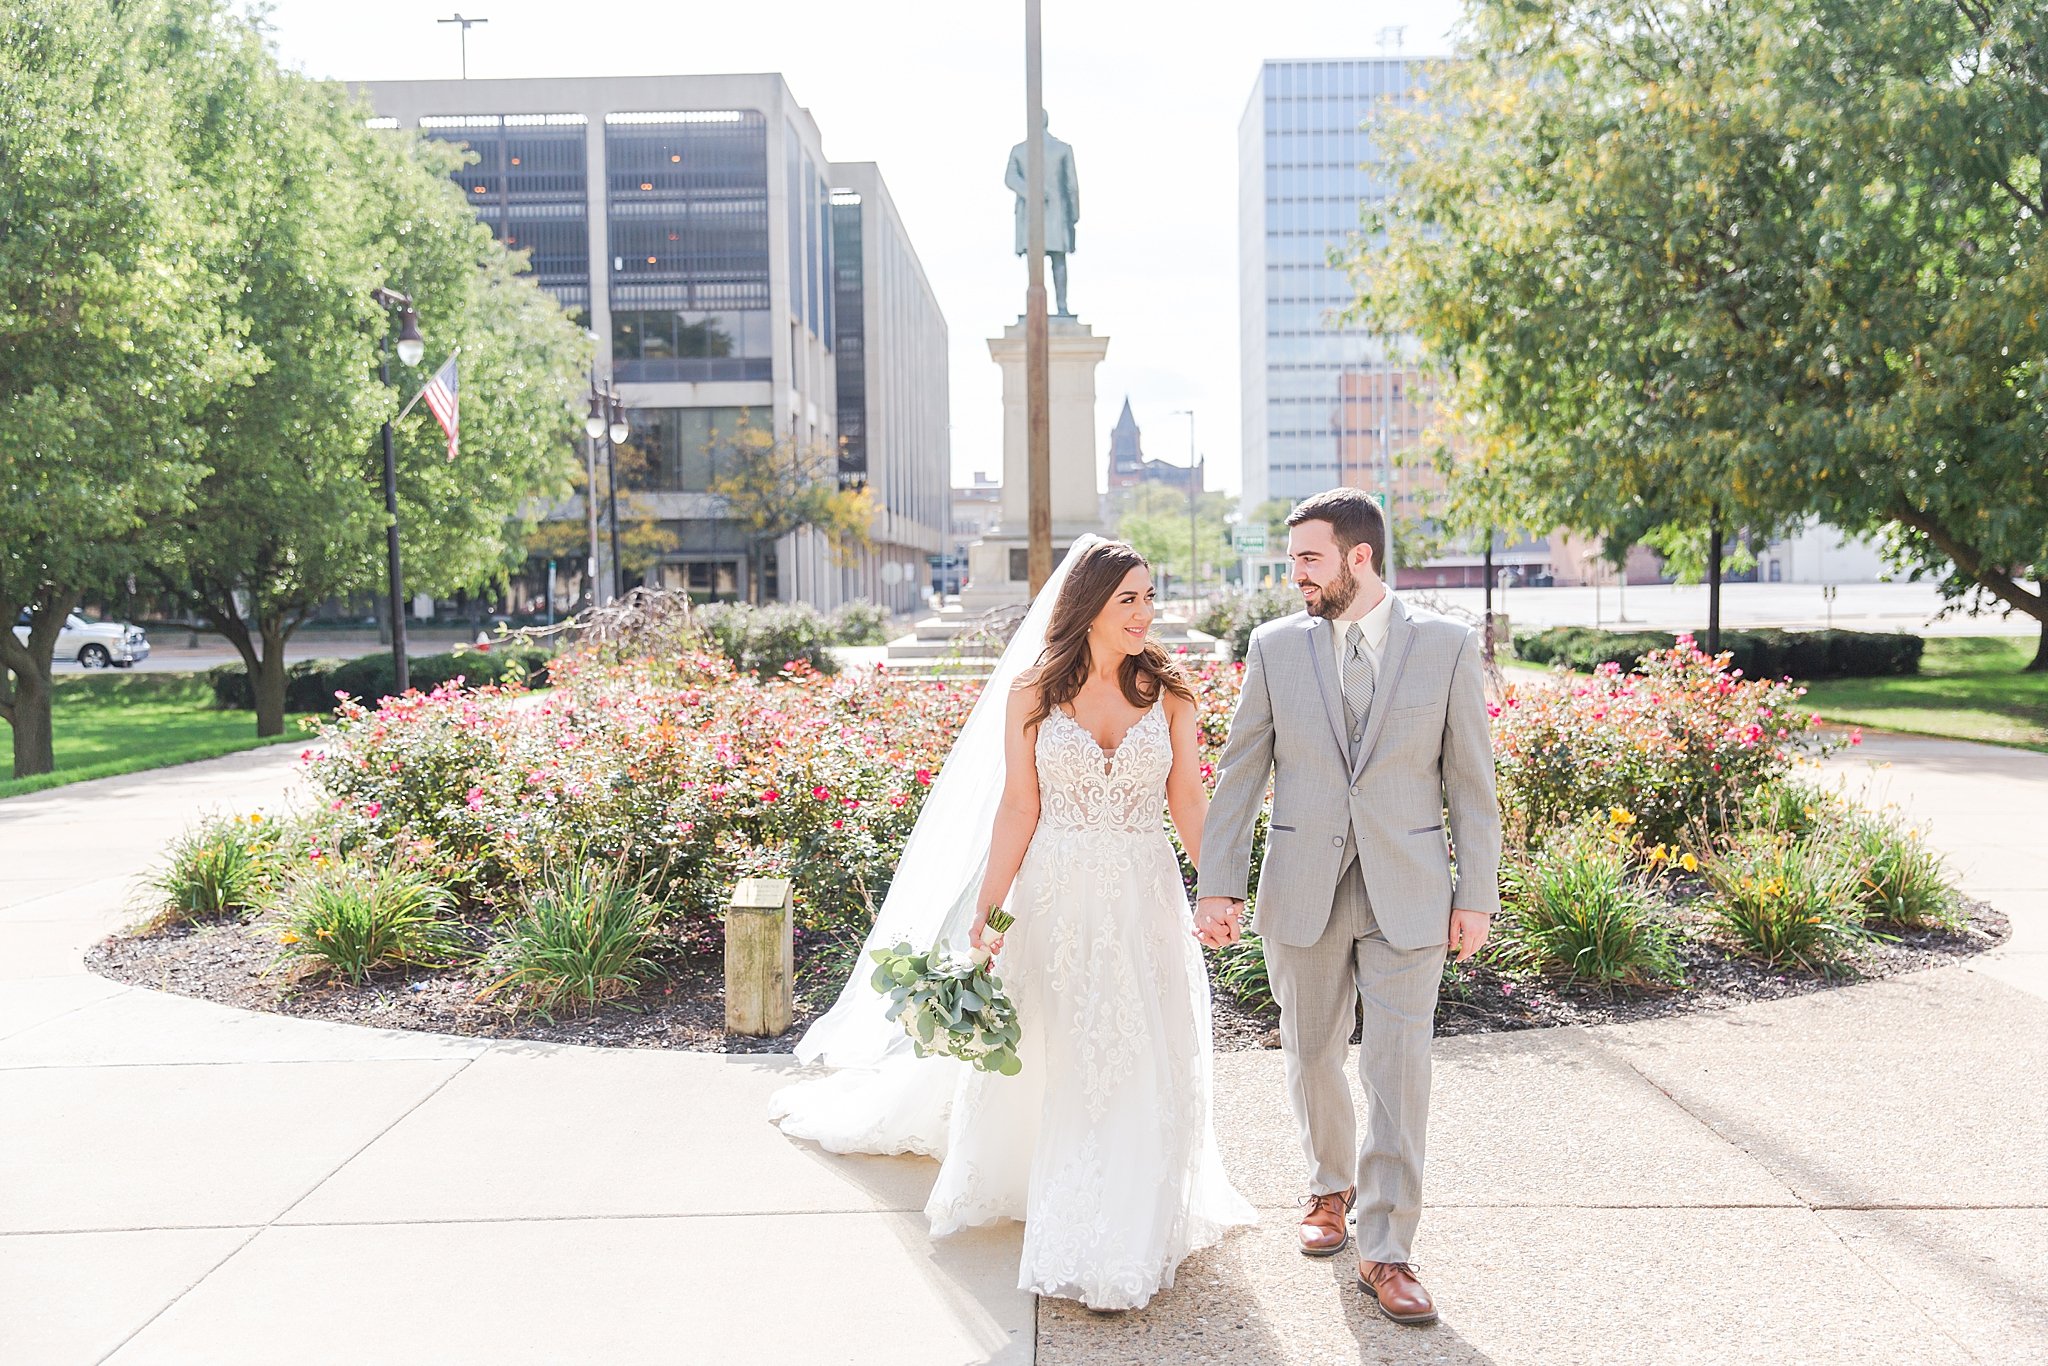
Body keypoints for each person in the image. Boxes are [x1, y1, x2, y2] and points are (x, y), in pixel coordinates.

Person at [772, 537, 1254, 1312]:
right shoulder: (1032, 693)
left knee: (1136, 1048)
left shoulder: (1171, 693)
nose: (1145, 612)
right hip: (1055, 894)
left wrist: (1218, 888)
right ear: (1088, 604)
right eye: (1128, 598)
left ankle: (1130, 1219)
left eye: (1149, 596)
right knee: (1059, 1048)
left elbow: (1189, 801)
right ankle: (1064, 1195)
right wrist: (989, 911)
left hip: (1142, 892)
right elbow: (1019, 808)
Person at [1194, 487, 1501, 1327]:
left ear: (1357, 558)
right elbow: (1239, 772)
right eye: (1294, 559)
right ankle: (1329, 1189)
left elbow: (1473, 785)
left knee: (1399, 1069)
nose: (1294, 574)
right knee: (1312, 1055)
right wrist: (1217, 883)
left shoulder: (1444, 644)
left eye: (1307, 559)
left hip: (1409, 890)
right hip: (1303, 883)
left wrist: (1477, 893)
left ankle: (1388, 1249)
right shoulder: (1273, 647)